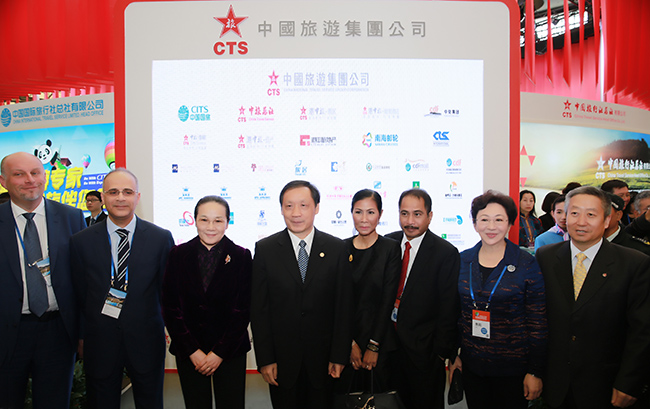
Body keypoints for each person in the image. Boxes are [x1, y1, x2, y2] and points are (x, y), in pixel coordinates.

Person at [537, 186, 650, 409]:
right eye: (574, 213)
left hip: (606, 385)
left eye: (591, 214)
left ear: (607, 220)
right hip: (555, 383)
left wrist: (629, 383)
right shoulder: (546, 257)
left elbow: (642, 331)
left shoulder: (634, 263)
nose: (581, 222)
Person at [70, 168, 174, 409]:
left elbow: (167, 292)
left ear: (137, 197)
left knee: (150, 402)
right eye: (113, 192)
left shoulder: (160, 238)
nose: (120, 198)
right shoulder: (81, 241)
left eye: (127, 192)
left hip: (146, 339)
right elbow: (79, 294)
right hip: (100, 340)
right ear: (103, 197)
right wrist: (81, 336)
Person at [251, 180, 352, 409]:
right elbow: (259, 310)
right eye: (289, 206)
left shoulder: (336, 248)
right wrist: (265, 359)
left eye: (303, 205)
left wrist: (339, 356)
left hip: (325, 362)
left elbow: (343, 307)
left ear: (316, 207)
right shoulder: (265, 249)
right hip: (282, 362)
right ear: (281, 209)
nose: (296, 213)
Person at [0, 152, 86, 409]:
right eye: (19, 174)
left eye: (35, 173)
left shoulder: (72, 217)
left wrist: (83, 333)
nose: (29, 180)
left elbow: (84, 280)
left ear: (45, 177)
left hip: (57, 331)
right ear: (4, 181)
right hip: (7, 332)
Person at [450, 190, 547, 409]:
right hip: (473, 365)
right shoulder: (463, 260)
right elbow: (457, 314)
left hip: (513, 370)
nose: (491, 227)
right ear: (475, 224)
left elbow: (537, 322)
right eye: (484, 220)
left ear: (510, 223)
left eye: (499, 220)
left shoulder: (526, 263)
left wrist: (535, 371)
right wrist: (455, 355)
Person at [162, 196, 251, 409]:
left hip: (230, 352)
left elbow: (243, 309)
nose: (211, 227)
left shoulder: (241, 256)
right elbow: (170, 305)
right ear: (194, 221)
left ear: (227, 222)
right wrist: (192, 350)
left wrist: (219, 353)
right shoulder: (177, 254)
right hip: (189, 351)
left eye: (218, 220)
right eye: (204, 220)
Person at [385, 188, 460, 409]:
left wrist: (440, 353)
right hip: (388, 350)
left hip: (424, 354)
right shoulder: (387, 243)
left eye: (417, 214)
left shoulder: (445, 253)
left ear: (430, 216)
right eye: (404, 213)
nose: (410, 221)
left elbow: (449, 307)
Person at [340, 189, 400, 392]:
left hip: (380, 342)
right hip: (348, 342)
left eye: (371, 212)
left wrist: (373, 346)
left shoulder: (390, 248)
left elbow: (387, 301)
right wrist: (350, 344)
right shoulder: (341, 248)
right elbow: (339, 302)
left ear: (380, 214)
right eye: (358, 212)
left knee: (380, 400)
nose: (364, 219)